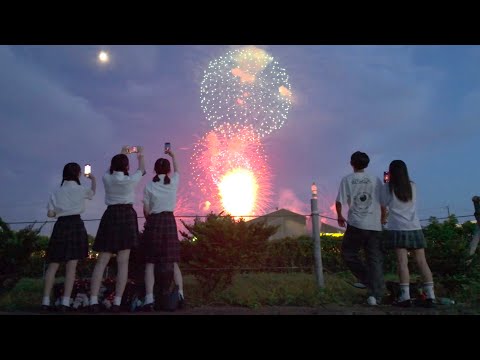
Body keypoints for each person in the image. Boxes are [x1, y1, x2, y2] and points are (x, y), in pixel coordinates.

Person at [89, 147, 146, 313]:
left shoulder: (107, 178)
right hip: (127, 216)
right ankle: (117, 302)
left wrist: (122, 154)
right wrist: (140, 155)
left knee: (101, 261)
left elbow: (110, 170)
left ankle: (93, 301)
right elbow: (142, 170)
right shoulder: (131, 180)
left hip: (110, 215)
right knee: (123, 262)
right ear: (127, 167)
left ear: (112, 166)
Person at [42, 163, 96, 312]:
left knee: (53, 265)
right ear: (78, 174)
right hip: (76, 225)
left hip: (60, 226)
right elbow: (92, 193)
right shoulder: (80, 189)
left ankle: (45, 301)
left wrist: (58, 212)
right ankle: (65, 303)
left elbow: (50, 214)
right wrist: (93, 179)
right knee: (71, 267)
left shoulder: (56, 191)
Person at [382, 160, 435, 307]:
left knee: (402, 263)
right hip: (414, 227)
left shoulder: (387, 188)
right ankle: (430, 296)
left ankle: (404, 297)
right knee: (422, 262)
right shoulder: (413, 186)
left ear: (390, 172)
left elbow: (383, 205)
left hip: (398, 228)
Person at [336, 151, 386, 306]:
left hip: (357, 223)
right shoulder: (376, 180)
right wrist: (383, 217)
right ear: (367, 164)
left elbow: (339, 201)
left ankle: (366, 280)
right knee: (374, 259)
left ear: (352, 163)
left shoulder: (348, 180)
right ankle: (376, 294)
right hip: (375, 225)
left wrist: (339, 215)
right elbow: (382, 202)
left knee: (348, 253)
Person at [142, 148, 184, 311]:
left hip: (154, 221)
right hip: (169, 221)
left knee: (150, 263)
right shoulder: (173, 182)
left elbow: (146, 210)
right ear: (168, 170)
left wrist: (151, 220)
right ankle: (180, 296)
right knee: (173, 261)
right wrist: (173, 155)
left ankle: (149, 299)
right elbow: (178, 170)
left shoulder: (149, 187)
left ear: (154, 169)